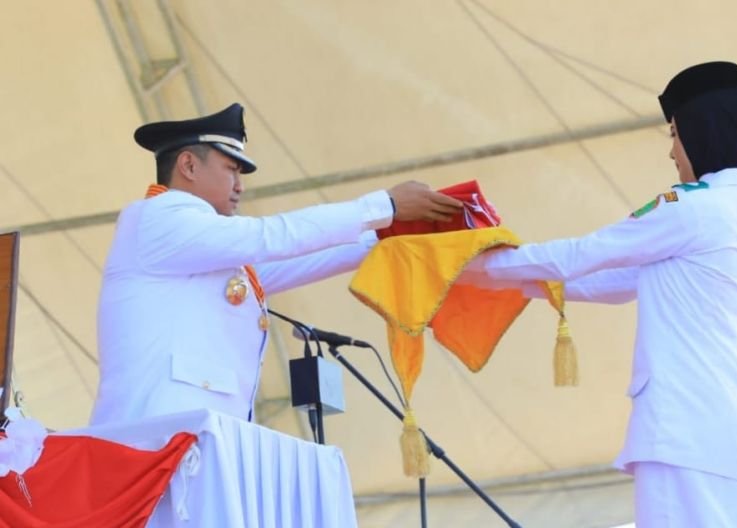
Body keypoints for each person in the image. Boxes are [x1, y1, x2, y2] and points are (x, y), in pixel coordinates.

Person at [462, 61, 737, 528]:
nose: (671, 152)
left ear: (701, 130)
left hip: (687, 429)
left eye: (675, 134)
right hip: (718, 429)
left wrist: (471, 265)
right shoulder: (727, 209)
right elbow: (615, 280)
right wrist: (516, 283)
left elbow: (588, 251)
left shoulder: (693, 208)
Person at [90, 103, 462, 426]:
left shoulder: (204, 247)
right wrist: (384, 207)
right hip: (155, 436)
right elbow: (273, 237)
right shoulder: (160, 216)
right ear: (188, 165)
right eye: (230, 169)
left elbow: (298, 259)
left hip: (190, 436)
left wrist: (389, 238)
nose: (240, 185)